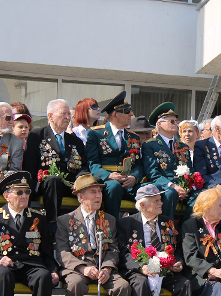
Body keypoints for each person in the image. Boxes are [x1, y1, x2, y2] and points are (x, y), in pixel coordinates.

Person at [55, 173, 130, 296]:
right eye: (93, 192)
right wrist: (83, 268)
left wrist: (107, 268)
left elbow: (113, 249)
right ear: (81, 197)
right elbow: (62, 251)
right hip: (77, 267)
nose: (99, 196)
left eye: (100, 192)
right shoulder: (66, 220)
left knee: (123, 286)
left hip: (102, 265)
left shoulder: (109, 220)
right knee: (75, 285)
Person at [117, 184, 191, 296]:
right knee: (140, 283)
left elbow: (177, 248)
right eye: (156, 200)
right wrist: (141, 267)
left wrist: (178, 262)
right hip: (140, 270)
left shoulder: (168, 222)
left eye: (160, 199)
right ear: (142, 205)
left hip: (165, 269)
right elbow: (123, 253)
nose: (161, 203)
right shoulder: (127, 223)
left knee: (184, 284)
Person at [24, 99, 87, 231]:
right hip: (46, 184)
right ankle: (52, 225)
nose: (68, 117)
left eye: (69, 114)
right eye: (63, 113)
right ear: (50, 116)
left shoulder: (75, 140)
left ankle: (91, 227)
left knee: (93, 184)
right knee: (53, 180)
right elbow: (30, 165)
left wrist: (80, 179)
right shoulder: (37, 135)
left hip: (70, 185)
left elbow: (83, 166)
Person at [86, 91, 143, 219]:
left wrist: (134, 177)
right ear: (115, 114)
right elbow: (92, 163)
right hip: (108, 181)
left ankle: (142, 227)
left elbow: (138, 164)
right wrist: (108, 175)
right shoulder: (96, 134)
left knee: (150, 190)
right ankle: (111, 226)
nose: (131, 114)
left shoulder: (134, 137)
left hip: (129, 182)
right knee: (114, 187)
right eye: (127, 111)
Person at [142, 103, 192, 219]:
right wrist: (173, 186)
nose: (175, 124)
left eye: (176, 121)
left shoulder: (183, 146)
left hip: (183, 187)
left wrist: (187, 187)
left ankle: (185, 227)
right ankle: (165, 227)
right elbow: (152, 173)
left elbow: (191, 169)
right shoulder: (150, 145)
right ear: (160, 124)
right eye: (172, 121)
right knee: (170, 193)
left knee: (201, 195)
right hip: (164, 186)